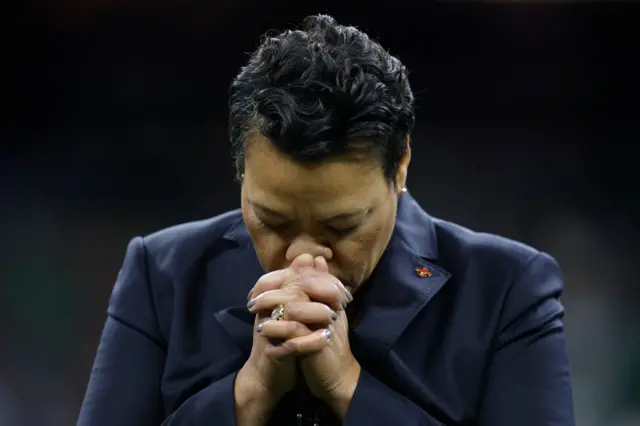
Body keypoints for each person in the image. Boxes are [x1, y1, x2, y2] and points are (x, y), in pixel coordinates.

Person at [77, 14, 575, 426]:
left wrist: (347, 387)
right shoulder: (161, 273)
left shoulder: (508, 288)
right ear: (240, 170)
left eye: (342, 227)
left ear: (400, 165)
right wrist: (247, 394)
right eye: (272, 220)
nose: (303, 256)